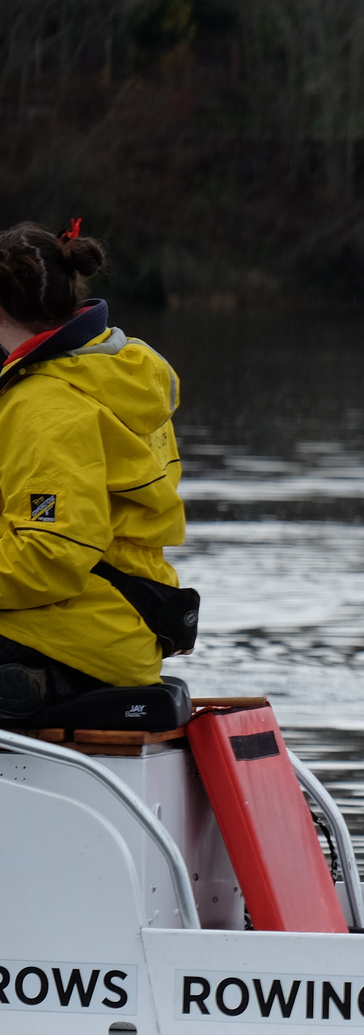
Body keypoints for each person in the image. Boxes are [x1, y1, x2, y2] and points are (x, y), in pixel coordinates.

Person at [0, 221, 191, 719]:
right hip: (121, 631)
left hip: (70, 635)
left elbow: (48, 553)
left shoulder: (44, 402)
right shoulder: (118, 373)